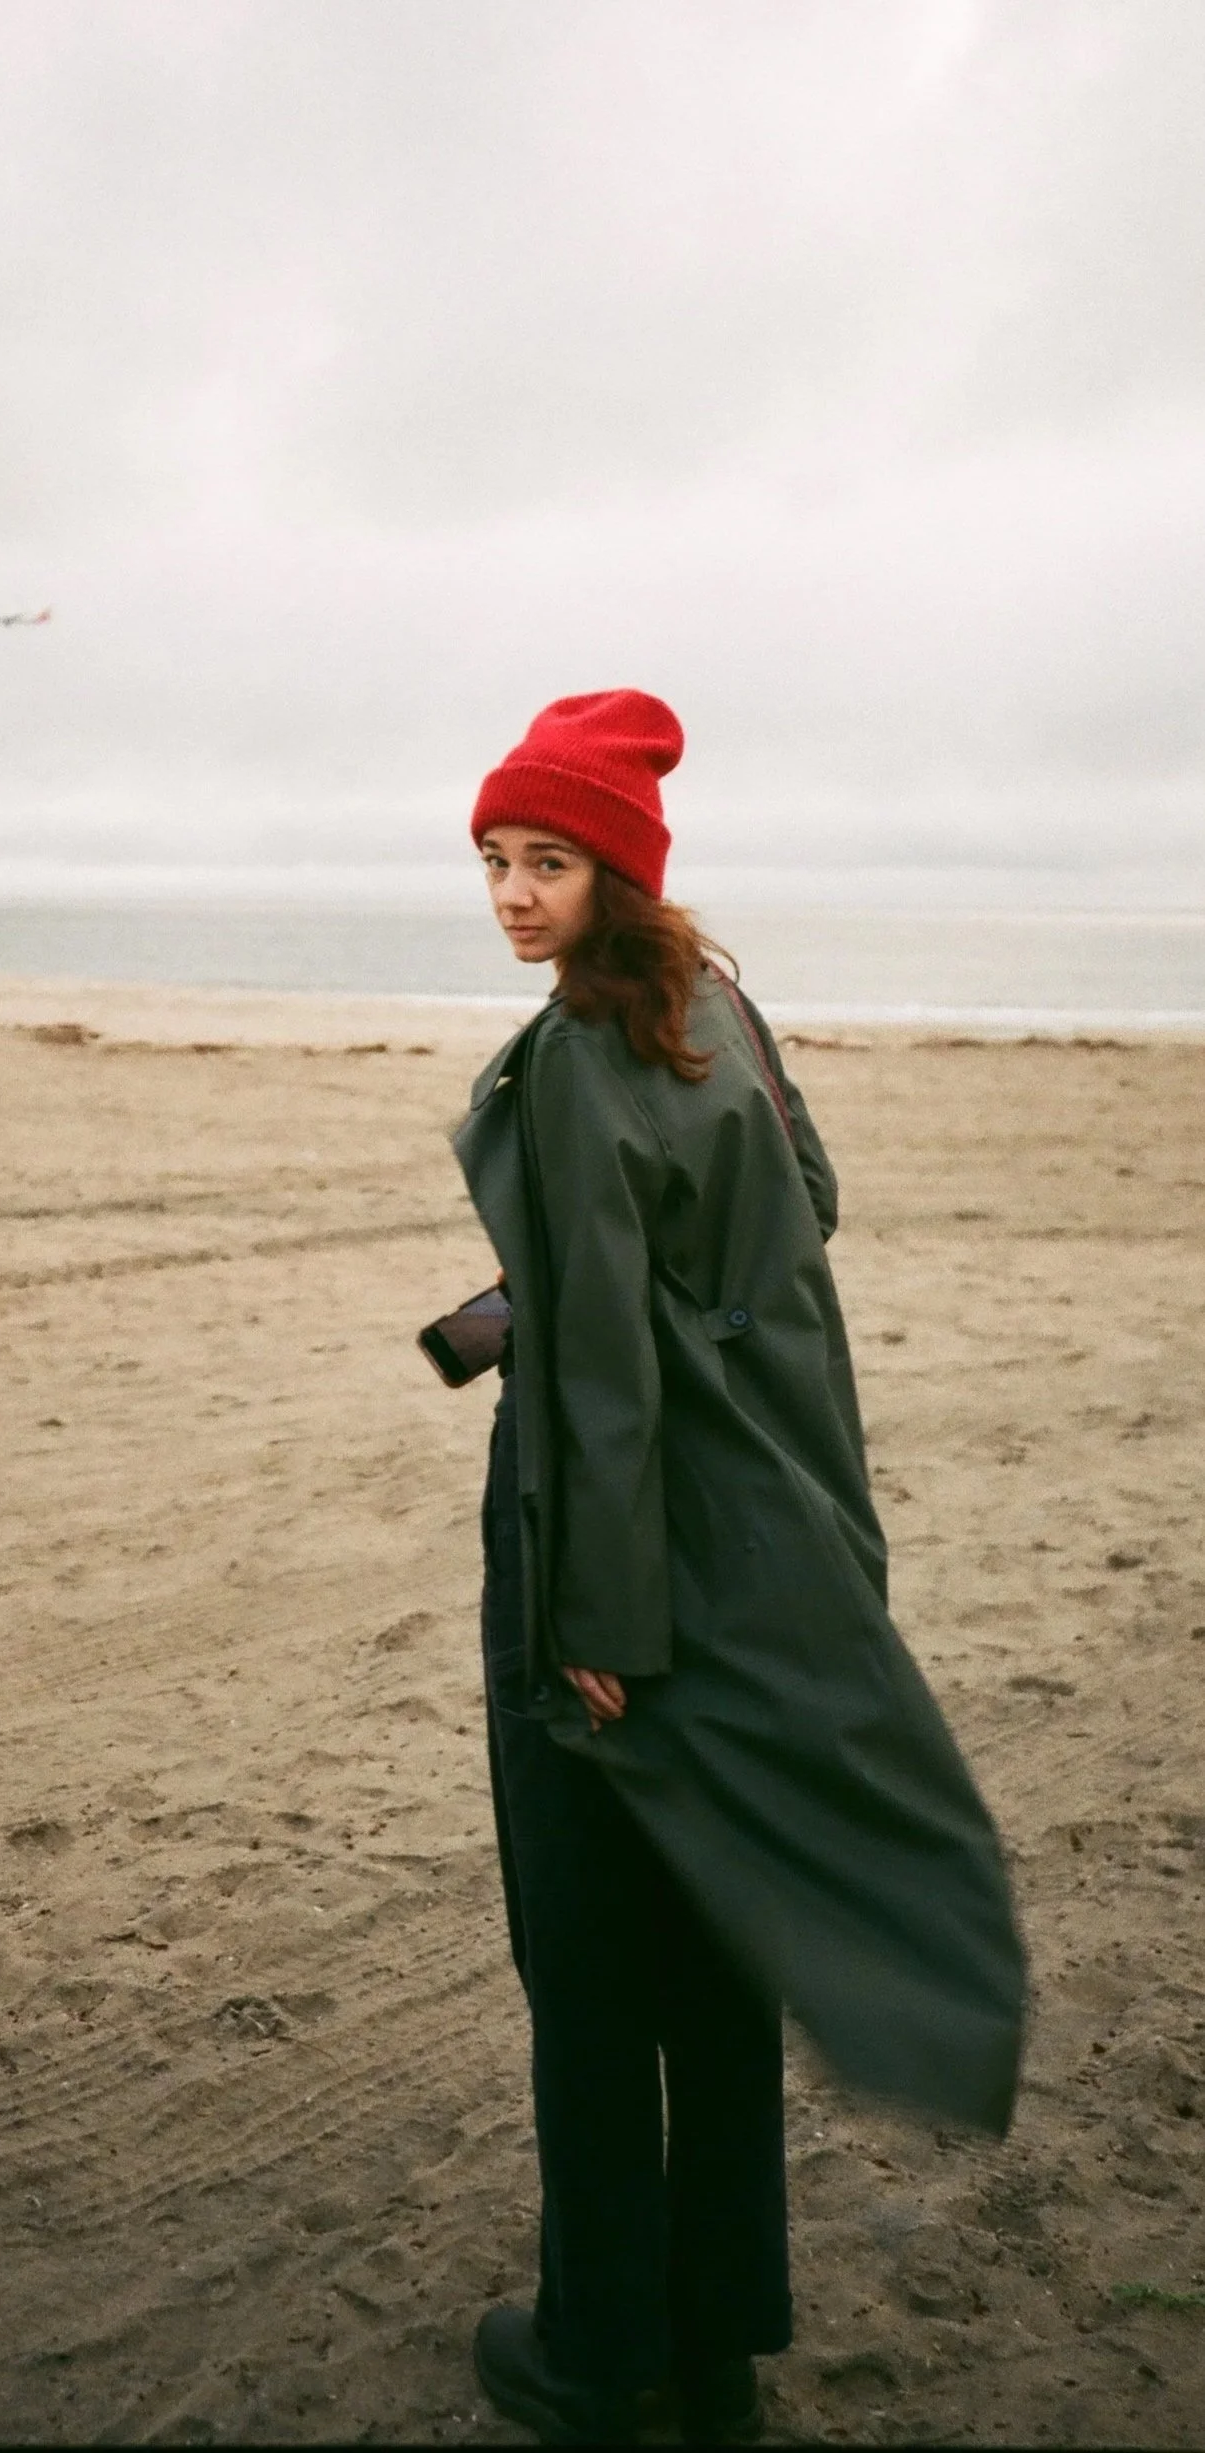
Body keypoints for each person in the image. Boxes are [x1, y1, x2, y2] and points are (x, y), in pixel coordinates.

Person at [451, 691, 1027, 2446]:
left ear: (615, 872)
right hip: (769, 1522)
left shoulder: (570, 1055)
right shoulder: (720, 1009)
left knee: (587, 1966)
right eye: (493, 860)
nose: (513, 895)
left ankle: (594, 2350)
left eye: (547, 862)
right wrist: (580, 1291)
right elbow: (805, 1207)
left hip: (609, 1549)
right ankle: (715, 2349)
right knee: (712, 1944)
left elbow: (602, 1381)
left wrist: (593, 1619)